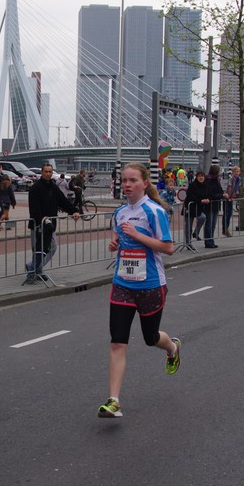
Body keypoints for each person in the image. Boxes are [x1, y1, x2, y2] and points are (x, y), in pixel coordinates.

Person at [98, 163, 180, 419]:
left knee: (150, 337)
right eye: (124, 180)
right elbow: (119, 240)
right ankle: (113, 401)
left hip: (150, 285)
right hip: (123, 284)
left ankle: (172, 348)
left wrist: (137, 235)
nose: (127, 185)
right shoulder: (119, 213)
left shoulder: (154, 211)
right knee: (117, 342)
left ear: (144, 183)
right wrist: (115, 243)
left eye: (132, 180)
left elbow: (168, 248)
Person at [26, 164, 79, 283]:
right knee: (38, 250)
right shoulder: (36, 188)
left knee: (52, 247)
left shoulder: (53, 187)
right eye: (46, 172)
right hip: (38, 225)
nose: (48, 174)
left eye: (50, 172)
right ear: (42, 172)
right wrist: (41, 219)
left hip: (50, 226)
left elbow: (63, 201)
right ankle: (35, 271)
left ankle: (33, 267)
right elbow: (33, 208)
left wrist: (74, 211)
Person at [202, 164, 224, 248]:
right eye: (218, 171)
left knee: (213, 224)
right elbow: (210, 193)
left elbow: (220, 190)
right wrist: (220, 195)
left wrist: (222, 194)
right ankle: (208, 241)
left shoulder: (216, 180)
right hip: (209, 205)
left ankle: (211, 240)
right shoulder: (208, 180)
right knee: (209, 223)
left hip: (215, 205)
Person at [186, 171, 208, 241]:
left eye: (202, 176)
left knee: (202, 217)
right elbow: (190, 196)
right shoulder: (192, 185)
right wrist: (200, 200)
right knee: (188, 226)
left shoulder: (205, 186)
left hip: (198, 208)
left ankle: (196, 232)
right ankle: (188, 242)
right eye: (199, 176)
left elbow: (207, 194)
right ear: (196, 177)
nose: (201, 178)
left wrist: (208, 199)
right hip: (190, 207)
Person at [222, 166, 242, 237]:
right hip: (227, 197)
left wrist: (234, 197)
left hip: (231, 197)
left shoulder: (239, 179)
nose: (236, 173)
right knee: (226, 214)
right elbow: (229, 188)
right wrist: (229, 197)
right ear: (232, 172)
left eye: (237, 171)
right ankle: (225, 229)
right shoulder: (231, 179)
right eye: (235, 171)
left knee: (229, 214)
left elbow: (236, 189)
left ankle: (226, 228)